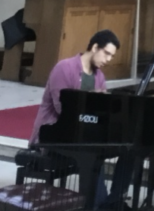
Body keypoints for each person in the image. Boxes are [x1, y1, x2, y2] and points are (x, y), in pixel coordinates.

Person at [30, 30, 129, 208]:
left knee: (129, 150)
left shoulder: (99, 77)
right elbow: (63, 109)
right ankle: (97, 206)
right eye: (106, 53)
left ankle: (113, 201)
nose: (108, 60)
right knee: (91, 153)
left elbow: (101, 113)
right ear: (95, 47)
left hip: (83, 134)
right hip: (53, 136)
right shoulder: (64, 68)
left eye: (112, 56)